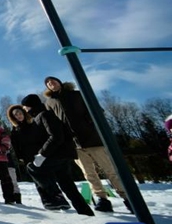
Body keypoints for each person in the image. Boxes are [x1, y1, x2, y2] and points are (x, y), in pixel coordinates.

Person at [44, 76, 129, 212]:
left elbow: (97, 110)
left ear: (60, 82)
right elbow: (52, 124)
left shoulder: (76, 95)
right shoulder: (50, 102)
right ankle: (102, 198)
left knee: (110, 170)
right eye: (48, 83)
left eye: (53, 81)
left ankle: (127, 197)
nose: (51, 83)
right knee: (88, 173)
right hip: (73, 144)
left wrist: (89, 124)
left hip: (93, 139)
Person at [20, 94, 94, 216]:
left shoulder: (45, 115)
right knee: (68, 186)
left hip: (57, 154)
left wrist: (42, 154)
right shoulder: (39, 117)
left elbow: (56, 136)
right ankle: (86, 212)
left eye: (25, 107)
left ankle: (56, 195)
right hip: (60, 155)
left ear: (30, 106)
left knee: (32, 168)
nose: (25, 109)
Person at [7, 104, 69, 210]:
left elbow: (43, 137)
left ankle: (59, 198)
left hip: (40, 154)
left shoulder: (34, 124)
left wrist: (44, 152)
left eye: (20, 113)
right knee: (37, 180)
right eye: (16, 115)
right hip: (27, 156)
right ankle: (47, 201)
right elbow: (16, 146)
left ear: (24, 113)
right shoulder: (15, 130)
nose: (18, 116)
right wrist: (19, 157)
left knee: (47, 176)